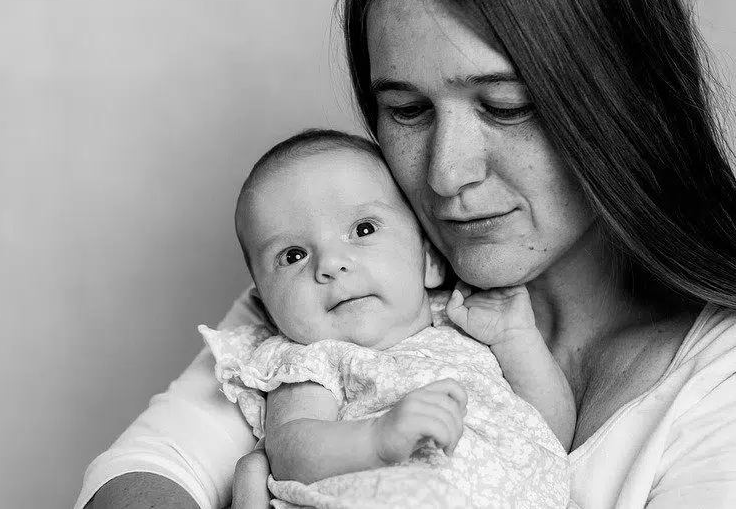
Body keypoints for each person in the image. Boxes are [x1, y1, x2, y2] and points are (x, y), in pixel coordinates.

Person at [76, 0, 736, 509]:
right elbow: (144, 475)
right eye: (405, 110)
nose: (446, 173)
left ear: (623, 96)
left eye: (506, 106)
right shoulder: (350, 286)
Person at [199, 128, 569, 508]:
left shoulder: (467, 325)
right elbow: (290, 452)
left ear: (430, 261)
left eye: (363, 229)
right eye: (293, 256)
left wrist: (518, 339)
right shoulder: (315, 359)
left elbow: (550, 433)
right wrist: (377, 439)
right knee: (259, 468)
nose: (331, 264)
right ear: (267, 309)